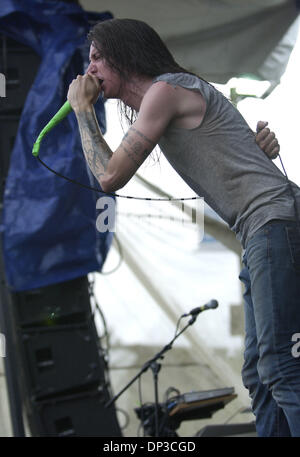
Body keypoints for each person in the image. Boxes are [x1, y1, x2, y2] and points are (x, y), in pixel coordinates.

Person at [67, 18, 300, 437]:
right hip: (260, 230)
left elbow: (108, 177)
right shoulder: (172, 96)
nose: (91, 70)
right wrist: (264, 143)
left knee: (280, 366)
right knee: (260, 375)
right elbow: (245, 149)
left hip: (274, 221)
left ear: (125, 53)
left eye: (98, 57)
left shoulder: (166, 90)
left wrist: (84, 110)